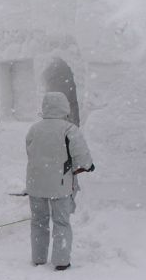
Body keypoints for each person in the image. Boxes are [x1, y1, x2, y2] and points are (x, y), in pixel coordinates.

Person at [25, 92, 94, 270]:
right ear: (64, 107)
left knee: (38, 221)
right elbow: (81, 155)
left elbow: (30, 152)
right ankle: (61, 261)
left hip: (36, 184)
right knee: (61, 222)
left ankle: (39, 258)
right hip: (60, 185)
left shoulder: (34, 129)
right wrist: (87, 165)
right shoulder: (69, 129)